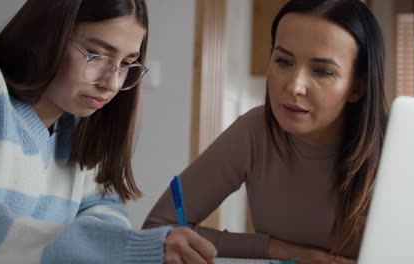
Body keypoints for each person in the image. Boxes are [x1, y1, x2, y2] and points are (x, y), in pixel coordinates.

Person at [0, 0, 216, 263]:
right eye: (96, 55)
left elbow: (106, 218)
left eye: (127, 63)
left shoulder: (84, 126)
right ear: (45, 34)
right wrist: (129, 249)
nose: (112, 83)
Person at [143, 0, 388, 263]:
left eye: (322, 71)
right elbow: (158, 230)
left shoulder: (396, 149)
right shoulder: (254, 131)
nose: (294, 86)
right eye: (283, 61)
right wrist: (280, 250)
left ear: (357, 87)